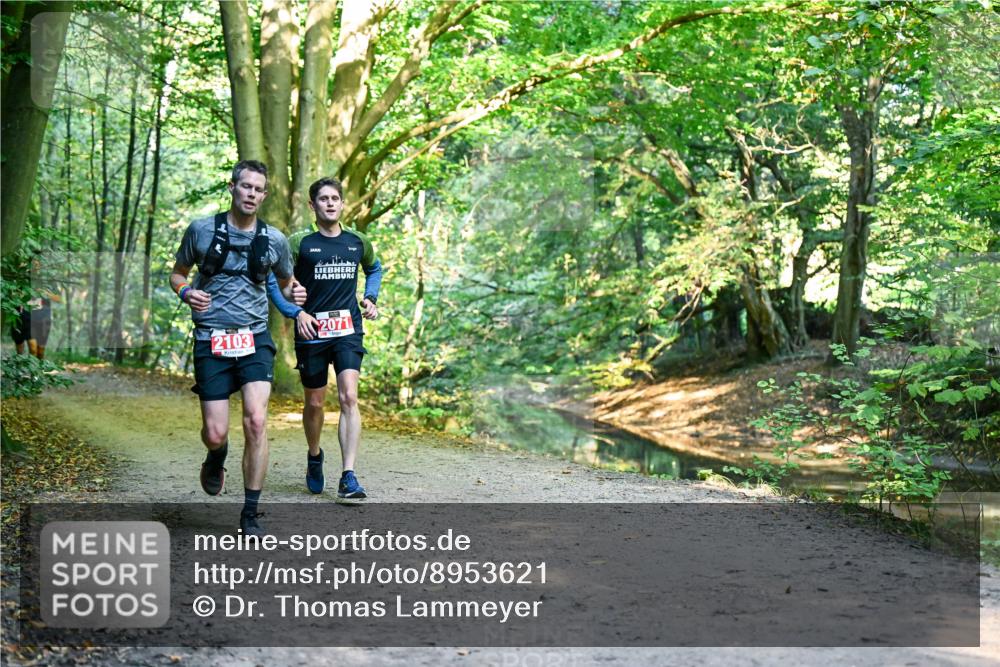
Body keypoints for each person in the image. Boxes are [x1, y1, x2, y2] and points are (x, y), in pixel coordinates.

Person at [169, 159, 304, 536]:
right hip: (211, 338)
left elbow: (288, 283)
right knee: (215, 432)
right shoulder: (200, 230)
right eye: (246, 187)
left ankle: (250, 513)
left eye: (259, 190)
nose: (252, 195)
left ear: (263, 195)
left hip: (254, 338)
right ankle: (216, 457)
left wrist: (298, 293)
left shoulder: (274, 239)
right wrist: (186, 291)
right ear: (232, 188)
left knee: (257, 421)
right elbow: (177, 273)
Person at [268, 177, 382, 502]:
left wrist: (370, 297)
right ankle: (315, 455)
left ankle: (348, 476)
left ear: (343, 204)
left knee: (349, 398)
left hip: (348, 330)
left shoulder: (357, 241)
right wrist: (293, 306)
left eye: (335, 198)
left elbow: (374, 269)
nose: (330, 203)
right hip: (312, 332)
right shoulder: (299, 243)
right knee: (315, 402)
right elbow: (276, 283)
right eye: (323, 199)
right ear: (312, 205)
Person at [10, 295, 55, 360]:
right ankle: (20, 366)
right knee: (20, 351)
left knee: (36, 350)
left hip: (36, 322)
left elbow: (51, 301)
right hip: (20, 321)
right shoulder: (16, 292)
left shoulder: (40, 292)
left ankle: (37, 367)